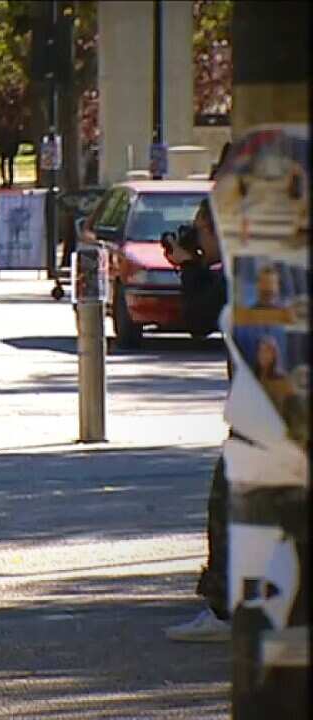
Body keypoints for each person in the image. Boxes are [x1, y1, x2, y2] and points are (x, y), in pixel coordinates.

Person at [164, 198, 231, 643]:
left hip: (266, 415)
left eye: (202, 231)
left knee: (228, 505)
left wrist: (190, 269)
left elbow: (198, 320)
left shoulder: (239, 273)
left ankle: (225, 611)